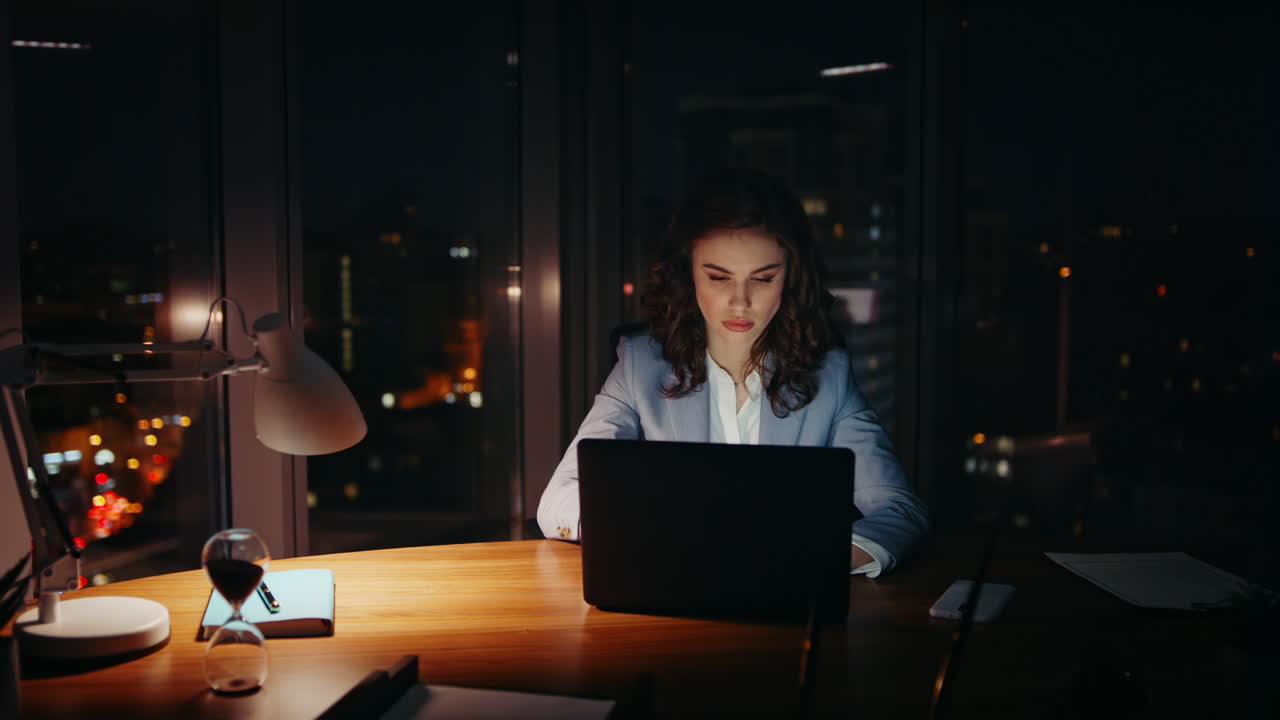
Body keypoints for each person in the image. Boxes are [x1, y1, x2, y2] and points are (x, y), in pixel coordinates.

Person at [537, 168, 929, 576]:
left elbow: (899, 509)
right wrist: (666, 535)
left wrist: (805, 561)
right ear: (688, 274)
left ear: (790, 278)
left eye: (762, 279)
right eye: (718, 277)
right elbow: (558, 502)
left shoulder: (830, 376)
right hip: (675, 598)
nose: (739, 302)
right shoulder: (639, 365)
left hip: (785, 606)